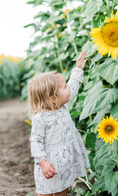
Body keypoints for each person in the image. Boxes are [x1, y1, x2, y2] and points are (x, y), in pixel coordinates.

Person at [27, 51, 90, 196]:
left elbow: (73, 86)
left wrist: (78, 69)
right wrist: (42, 162)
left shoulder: (63, 106)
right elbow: (35, 141)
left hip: (65, 163)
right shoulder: (40, 118)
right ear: (53, 98)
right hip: (50, 165)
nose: (68, 88)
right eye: (64, 87)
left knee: (63, 188)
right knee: (46, 192)